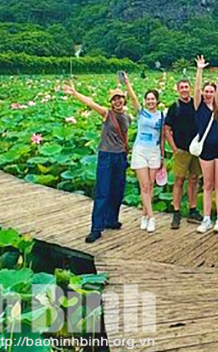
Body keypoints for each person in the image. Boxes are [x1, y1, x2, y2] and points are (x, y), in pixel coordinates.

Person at [61, 80, 130, 244]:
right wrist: (75, 93)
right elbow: (90, 103)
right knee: (103, 192)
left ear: (124, 100)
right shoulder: (107, 114)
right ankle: (96, 228)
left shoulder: (128, 117)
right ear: (111, 102)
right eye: (114, 99)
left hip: (120, 156)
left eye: (120, 98)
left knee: (118, 191)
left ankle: (112, 220)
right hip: (106, 156)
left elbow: (125, 136)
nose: (118, 101)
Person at [123, 75, 164, 233]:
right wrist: (127, 83)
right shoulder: (141, 113)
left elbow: (162, 136)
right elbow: (133, 98)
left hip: (154, 151)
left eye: (153, 99)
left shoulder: (162, 115)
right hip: (140, 150)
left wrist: (162, 156)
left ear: (157, 101)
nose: (150, 101)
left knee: (151, 185)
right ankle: (152, 217)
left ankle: (144, 215)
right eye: (148, 99)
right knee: (144, 185)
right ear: (145, 101)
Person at [193, 55, 218, 233]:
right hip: (205, 150)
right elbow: (196, 88)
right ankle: (206, 219)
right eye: (206, 91)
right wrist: (200, 70)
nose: (208, 94)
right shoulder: (198, 105)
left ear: (215, 93)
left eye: (211, 91)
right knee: (207, 185)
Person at [164, 79, 201, 229]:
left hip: (195, 149)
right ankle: (176, 212)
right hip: (181, 150)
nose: (184, 90)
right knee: (178, 181)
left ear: (190, 88)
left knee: (194, 179)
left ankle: (192, 210)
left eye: (186, 87)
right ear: (178, 90)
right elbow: (167, 129)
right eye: (182, 87)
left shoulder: (196, 104)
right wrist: (174, 149)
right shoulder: (174, 107)